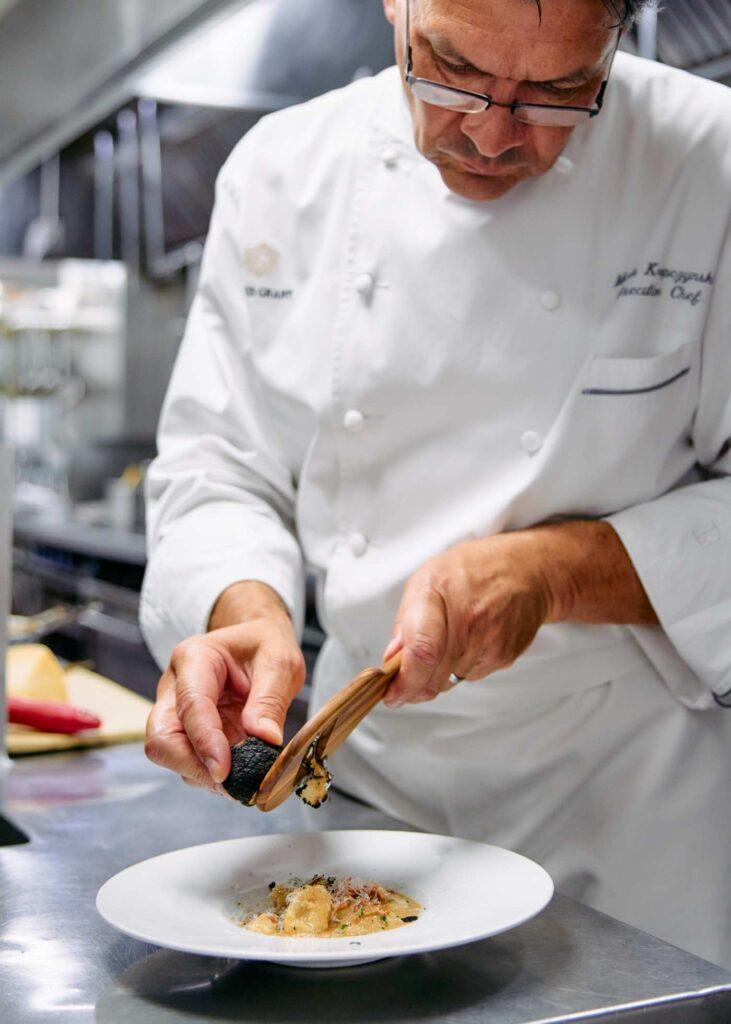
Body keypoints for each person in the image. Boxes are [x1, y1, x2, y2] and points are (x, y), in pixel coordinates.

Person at [141, 0, 731, 967]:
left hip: (630, 808)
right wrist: (239, 610)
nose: (493, 136)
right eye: (448, 69)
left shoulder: (707, 163)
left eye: (557, 93)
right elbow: (219, 465)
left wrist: (558, 572)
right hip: (370, 788)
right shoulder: (282, 169)